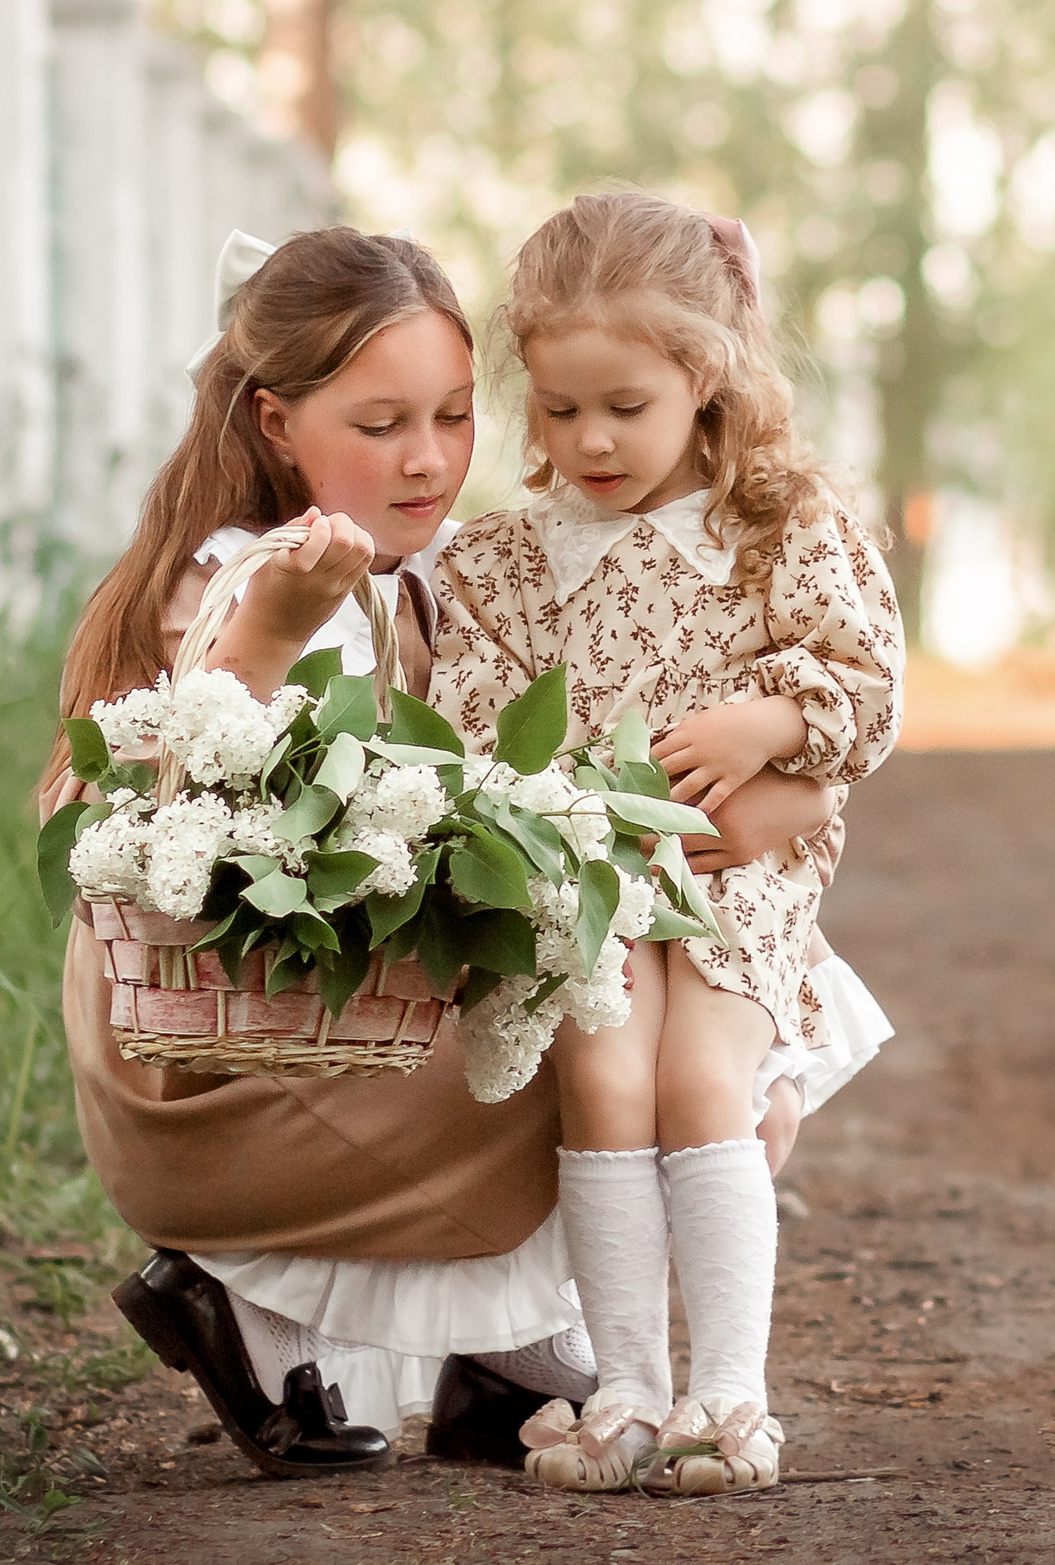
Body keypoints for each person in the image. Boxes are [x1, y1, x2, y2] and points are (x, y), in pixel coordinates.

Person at [38, 226, 844, 1478]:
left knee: (706, 993)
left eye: (456, 415)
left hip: (322, 1013)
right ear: (273, 424)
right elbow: (193, 797)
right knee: (618, 1024)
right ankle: (253, 1306)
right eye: (379, 424)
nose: (427, 459)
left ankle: (506, 1351)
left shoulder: (422, 575)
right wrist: (274, 629)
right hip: (234, 1060)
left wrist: (771, 781)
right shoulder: (245, 584)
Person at [429, 192, 906, 1494]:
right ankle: (627, 1384)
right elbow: (476, 731)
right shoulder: (503, 565)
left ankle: (729, 1392)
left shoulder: (781, 528)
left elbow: (866, 694)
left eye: (623, 408)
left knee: (705, 1080)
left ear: (704, 376)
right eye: (560, 406)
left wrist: (770, 719)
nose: (587, 439)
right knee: (602, 1069)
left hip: (734, 873)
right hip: (589, 878)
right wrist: (565, 817)